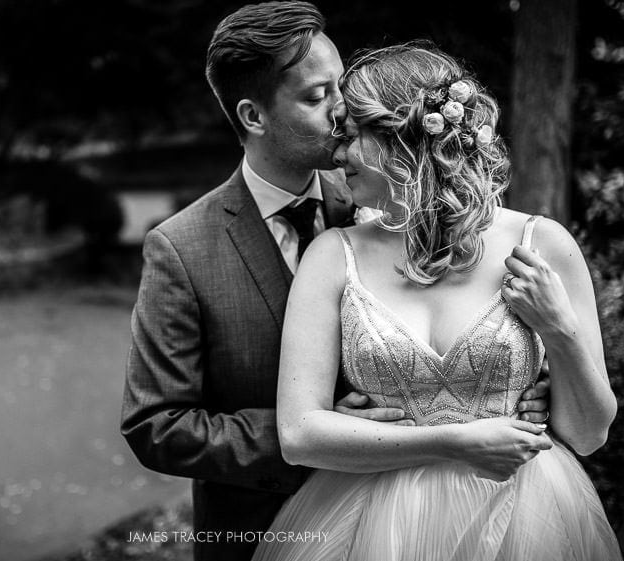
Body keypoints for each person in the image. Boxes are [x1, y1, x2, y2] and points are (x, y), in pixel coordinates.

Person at [120, 4, 549, 561]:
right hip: (265, 529)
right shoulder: (182, 248)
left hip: (432, 523)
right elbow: (157, 424)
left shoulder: (387, 199)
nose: (342, 111)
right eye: (316, 96)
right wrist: (319, 435)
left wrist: (526, 386)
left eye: (339, 87)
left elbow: (473, 316)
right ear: (254, 116)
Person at [251, 43, 621, 560]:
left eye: (351, 135)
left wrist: (560, 331)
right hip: (371, 521)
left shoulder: (541, 244)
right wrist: (455, 442)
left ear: (400, 139)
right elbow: (299, 434)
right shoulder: (333, 256)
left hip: (526, 515)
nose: (336, 156)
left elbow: (588, 435)